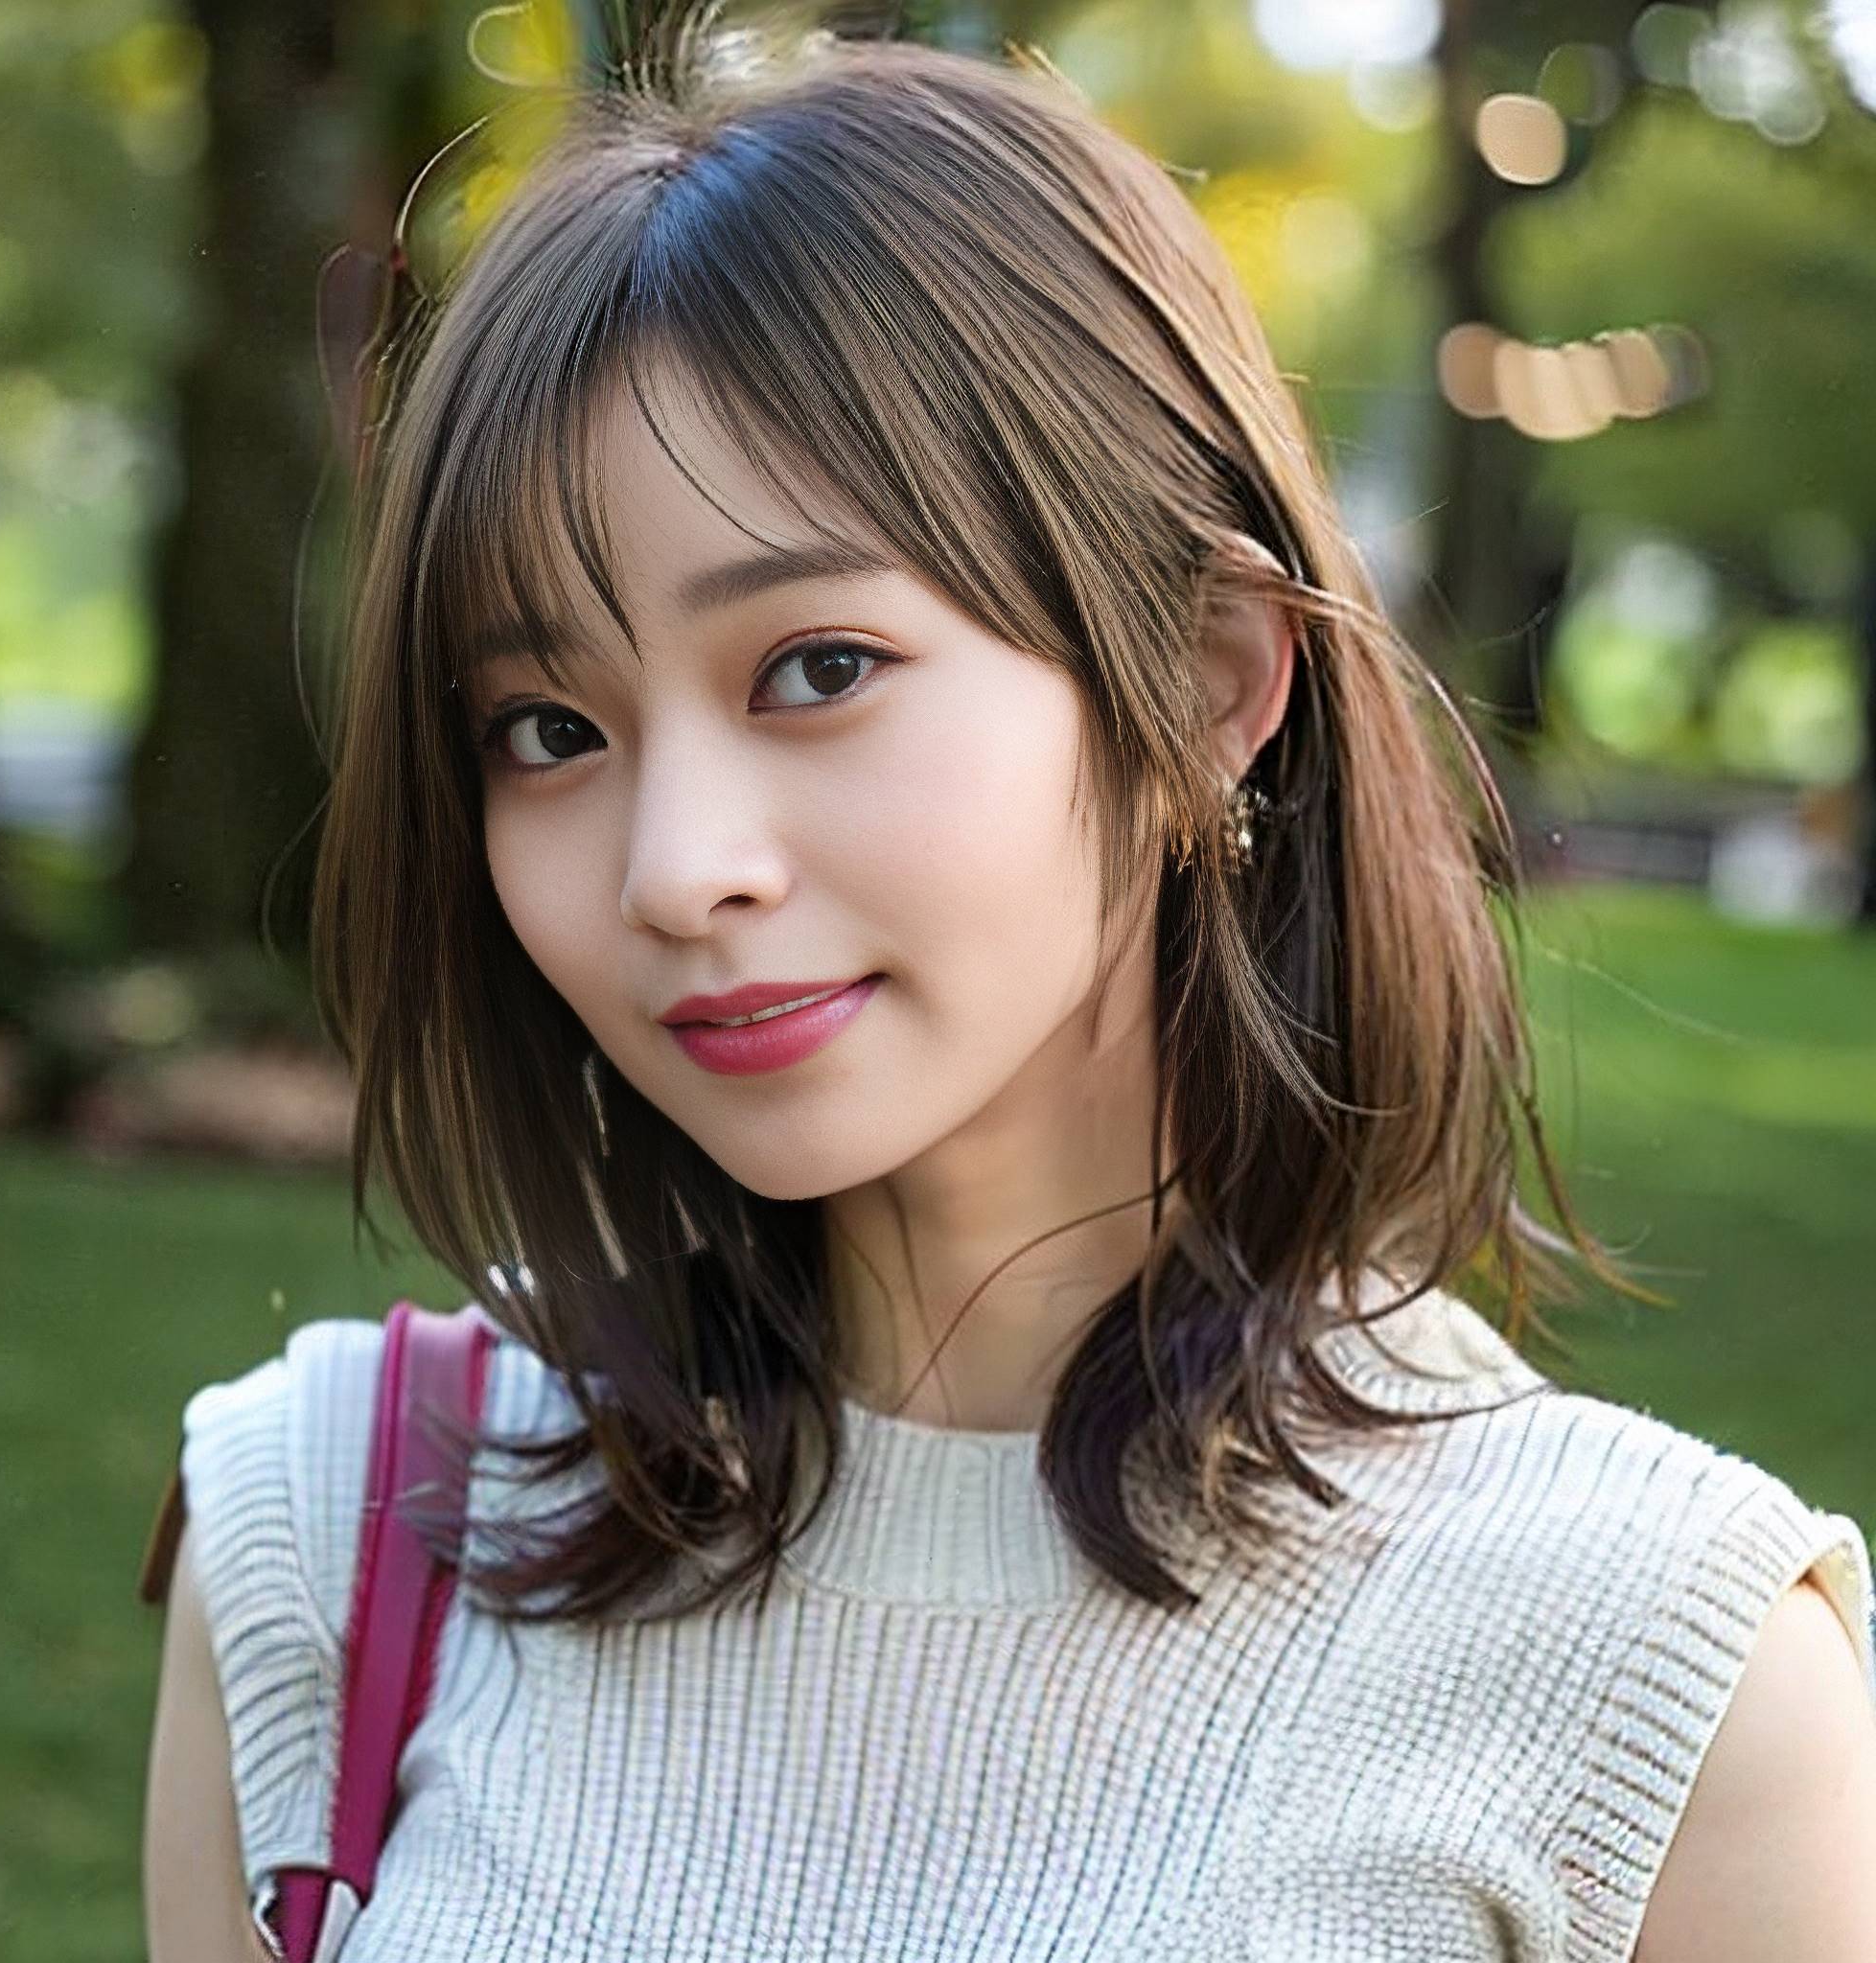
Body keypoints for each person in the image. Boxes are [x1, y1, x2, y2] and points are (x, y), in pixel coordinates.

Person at [140, 17, 1876, 1962]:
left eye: (814, 668)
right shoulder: (332, 1521)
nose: (672, 865)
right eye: (550, 725)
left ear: (1209, 686)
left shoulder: (1658, 1672)